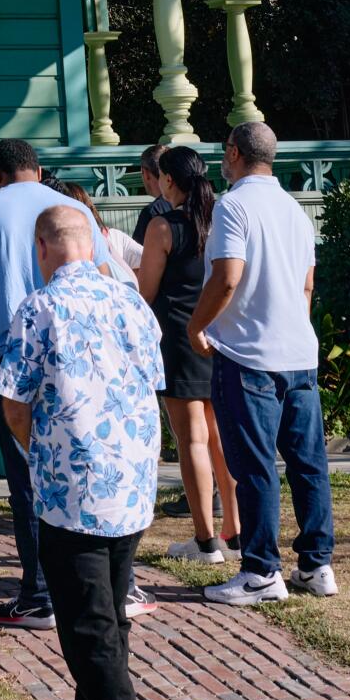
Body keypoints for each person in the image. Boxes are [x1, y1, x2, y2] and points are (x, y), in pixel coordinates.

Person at [0, 201, 168, 700]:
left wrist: (38, 450)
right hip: (131, 481)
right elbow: (153, 383)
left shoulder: (40, 308)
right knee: (110, 618)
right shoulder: (131, 304)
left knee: (89, 631)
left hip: (72, 490)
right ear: (93, 247)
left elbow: (13, 400)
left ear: (42, 250)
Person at [188, 119, 337, 605]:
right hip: (298, 350)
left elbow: (227, 278)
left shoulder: (233, 206)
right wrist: (294, 324)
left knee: (254, 466)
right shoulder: (295, 208)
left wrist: (197, 326)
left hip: (249, 353)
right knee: (308, 464)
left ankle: (260, 572)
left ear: (233, 152)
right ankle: (316, 565)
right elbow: (308, 283)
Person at [0, 139, 101, 628]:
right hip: (77, 348)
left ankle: (39, 591)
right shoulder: (73, 210)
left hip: (10, 348)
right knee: (81, 460)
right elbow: (98, 275)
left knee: (26, 475)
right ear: (37, 170)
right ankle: (90, 584)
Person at [137, 146, 240, 561]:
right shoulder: (219, 221)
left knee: (191, 439)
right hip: (216, 331)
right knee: (221, 438)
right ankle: (235, 529)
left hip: (177, 336)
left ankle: (204, 539)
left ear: (169, 181)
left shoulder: (163, 226)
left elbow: (146, 291)